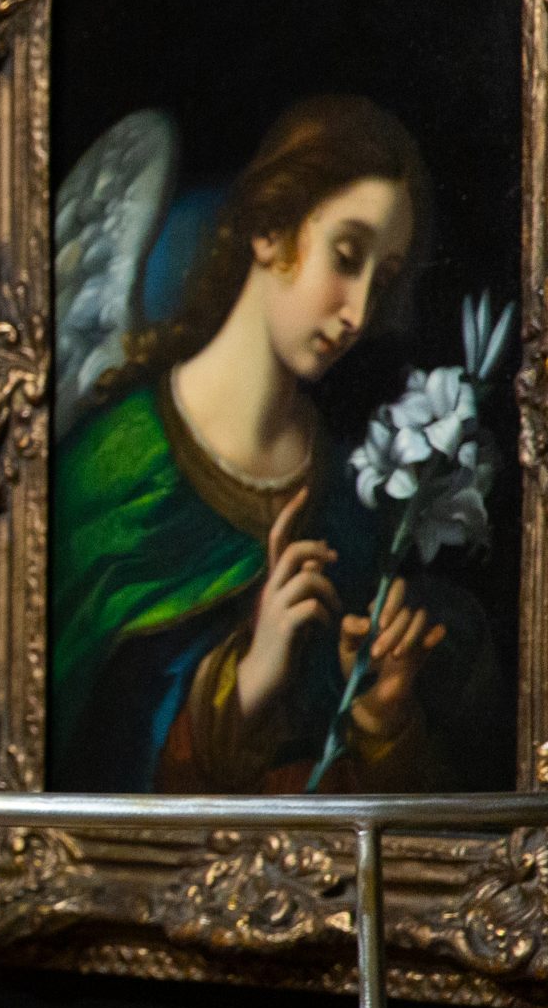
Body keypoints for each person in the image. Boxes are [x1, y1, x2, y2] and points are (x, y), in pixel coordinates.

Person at [51, 94, 506, 792]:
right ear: (268, 228)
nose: (358, 313)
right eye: (346, 256)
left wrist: (383, 719)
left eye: (380, 282)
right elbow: (69, 758)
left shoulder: (351, 509)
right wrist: (247, 680)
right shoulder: (113, 465)